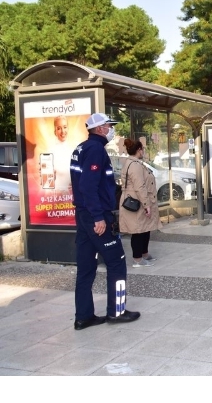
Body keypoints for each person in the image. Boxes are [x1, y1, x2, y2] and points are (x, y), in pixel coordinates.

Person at [69, 112, 140, 330]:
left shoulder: (81, 148)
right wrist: (99, 217)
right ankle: (116, 311)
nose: (112, 129)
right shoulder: (96, 150)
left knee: (86, 268)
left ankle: (83, 317)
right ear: (99, 128)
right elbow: (88, 187)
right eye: (109, 125)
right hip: (95, 216)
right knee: (117, 261)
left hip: (83, 216)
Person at [118, 138, 162, 268]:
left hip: (137, 199)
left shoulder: (133, 163)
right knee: (137, 231)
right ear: (139, 150)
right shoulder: (135, 165)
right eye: (143, 149)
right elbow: (140, 186)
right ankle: (137, 259)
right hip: (136, 202)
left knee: (144, 229)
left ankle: (144, 254)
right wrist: (146, 204)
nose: (144, 152)